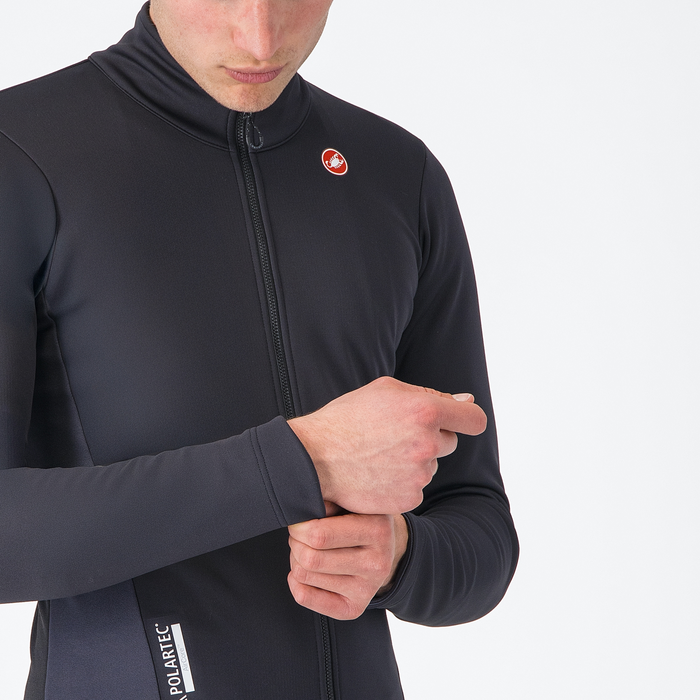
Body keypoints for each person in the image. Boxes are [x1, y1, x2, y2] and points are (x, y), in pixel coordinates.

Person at [0, 1, 519, 698]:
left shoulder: (398, 174)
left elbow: (480, 529)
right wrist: (299, 463)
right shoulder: (20, 153)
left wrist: (402, 556)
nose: (260, 37)